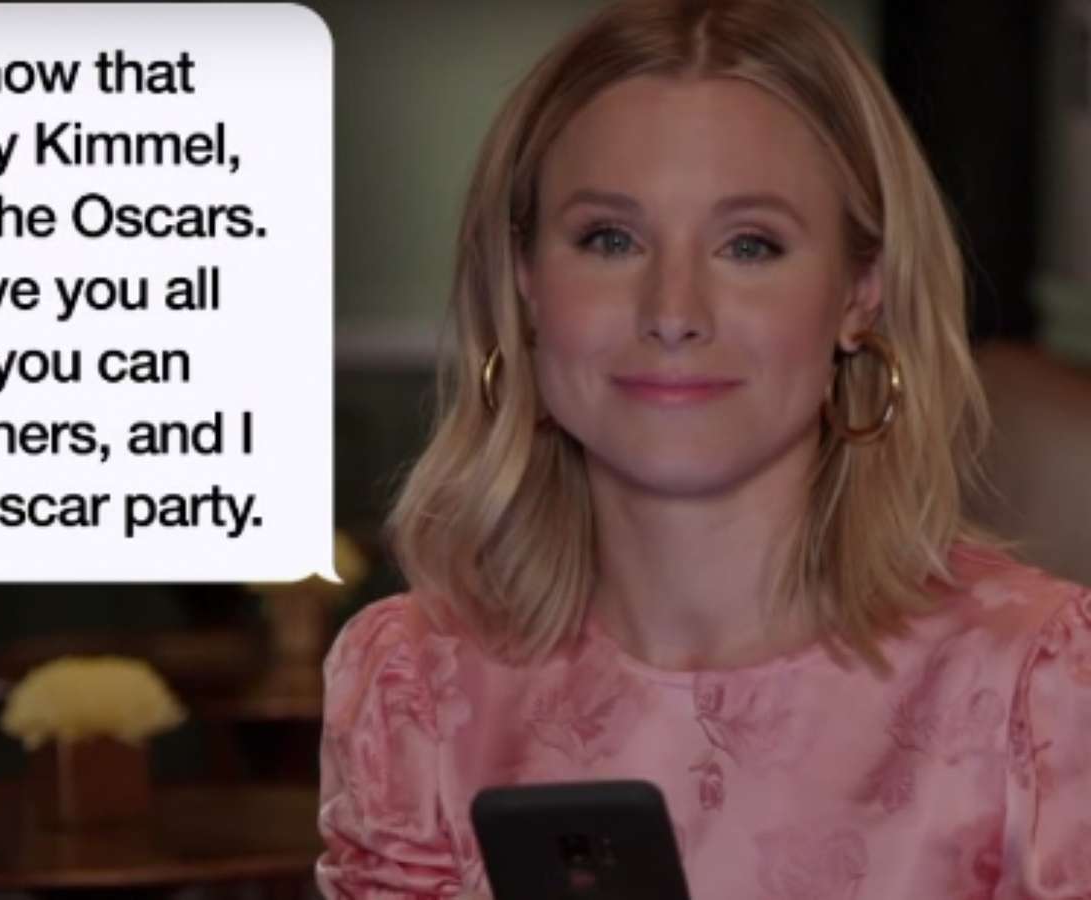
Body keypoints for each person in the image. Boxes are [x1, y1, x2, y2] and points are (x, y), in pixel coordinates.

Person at [316, 0, 1091, 896]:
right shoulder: (412, 680)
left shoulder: (1042, 681)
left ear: (860, 291)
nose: (673, 312)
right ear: (524, 280)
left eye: (749, 245)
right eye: (610, 239)